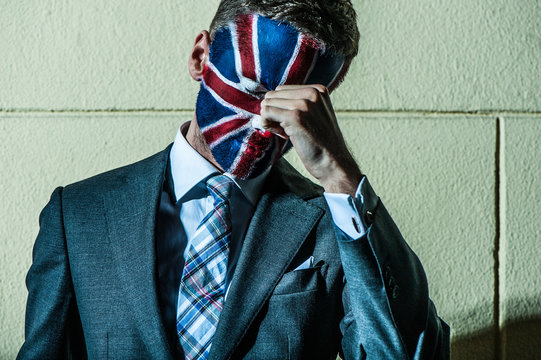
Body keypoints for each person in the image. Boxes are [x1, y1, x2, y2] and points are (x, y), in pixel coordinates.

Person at [18, 0, 450, 359]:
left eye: (296, 107)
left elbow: (407, 353)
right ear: (200, 57)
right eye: (257, 90)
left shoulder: (333, 227)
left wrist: (340, 174)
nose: (266, 122)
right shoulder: (80, 217)